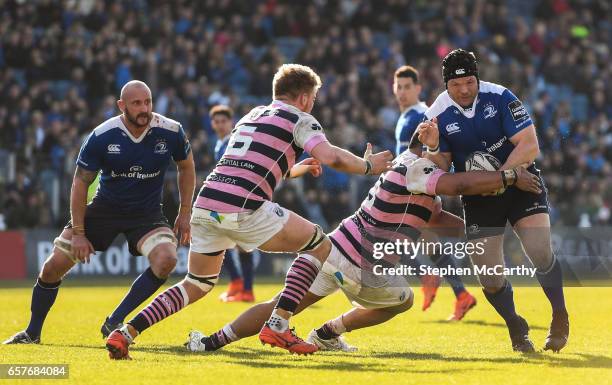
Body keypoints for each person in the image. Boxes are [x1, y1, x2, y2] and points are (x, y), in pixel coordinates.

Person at [105, 63, 394, 358]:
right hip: (242, 207)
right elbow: (331, 156)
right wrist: (369, 166)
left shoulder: (252, 115)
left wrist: (294, 170)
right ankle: (279, 324)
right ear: (305, 97)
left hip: (206, 203)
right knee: (319, 244)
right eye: (314, 98)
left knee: (196, 283)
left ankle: (126, 332)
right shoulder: (300, 118)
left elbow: (251, 165)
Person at [184, 137, 541, 353]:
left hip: (336, 247)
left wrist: (477, 229)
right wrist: (504, 179)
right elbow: (459, 185)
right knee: (404, 300)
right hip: (363, 263)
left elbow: (436, 219)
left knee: (281, 304)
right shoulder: (421, 168)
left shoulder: (412, 169)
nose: (450, 157)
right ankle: (329, 332)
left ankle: (212, 341)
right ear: (431, 147)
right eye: (446, 151)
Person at [4, 80, 195, 344]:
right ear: (121, 106)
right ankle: (32, 333)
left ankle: (115, 320)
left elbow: (187, 166)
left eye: (148, 102)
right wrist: (80, 233)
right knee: (51, 268)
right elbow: (79, 183)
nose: (144, 109)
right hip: (104, 210)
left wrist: (185, 213)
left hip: (147, 214)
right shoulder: (102, 136)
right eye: (136, 103)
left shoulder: (171, 130)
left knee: (167, 260)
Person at [417, 49, 569, 352]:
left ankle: (559, 314)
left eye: (470, 82)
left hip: (521, 180)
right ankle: (516, 326)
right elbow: (440, 170)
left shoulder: (500, 97)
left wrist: (502, 177)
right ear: (446, 84)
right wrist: (433, 146)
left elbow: (529, 144)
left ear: (478, 78)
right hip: (479, 195)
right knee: (489, 277)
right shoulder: (436, 114)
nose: (464, 90)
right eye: (456, 85)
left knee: (539, 251)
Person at [393, 65, 476, 320]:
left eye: (408, 86)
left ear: (418, 89)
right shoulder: (408, 115)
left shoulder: (418, 116)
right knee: (430, 244)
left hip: (416, 189)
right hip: (419, 188)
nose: (403, 91)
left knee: (389, 241)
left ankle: (428, 277)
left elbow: (417, 155)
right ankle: (462, 295)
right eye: (399, 86)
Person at [209, 105, 257, 303]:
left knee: (236, 244)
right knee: (226, 241)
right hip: (229, 200)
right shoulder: (220, 144)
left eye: (224, 121)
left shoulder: (234, 142)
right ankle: (240, 284)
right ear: (212, 124)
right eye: (217, 121)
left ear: (231, 122)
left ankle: (244, 287)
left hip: (237, 200)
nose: (220, 125)